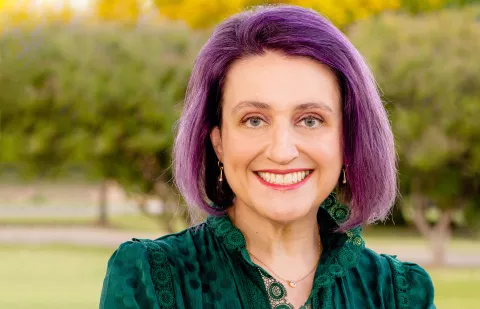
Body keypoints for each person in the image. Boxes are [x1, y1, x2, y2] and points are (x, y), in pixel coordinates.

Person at [100, 4, 436, 309]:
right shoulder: (149, 280)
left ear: (347, 141)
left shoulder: (400, 293)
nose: (282, 151)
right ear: (218, 141)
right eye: (254, 120)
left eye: (310, 120)